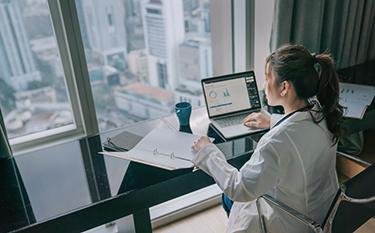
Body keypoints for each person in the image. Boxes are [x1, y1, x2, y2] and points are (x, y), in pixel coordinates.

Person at [191, 44, 346, 232]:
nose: (264, 86)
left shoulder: (275, 142)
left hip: (293, 221)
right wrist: (273, 120)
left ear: (284, 87)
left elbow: (239, 189)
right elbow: (299, 130)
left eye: (267, 79)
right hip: (324, 213)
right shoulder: (322, 113)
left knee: (228, 197)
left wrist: (207, 152)